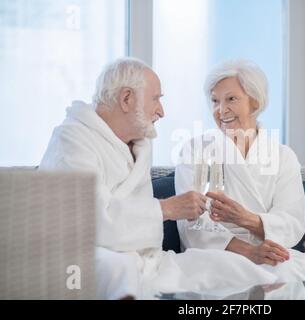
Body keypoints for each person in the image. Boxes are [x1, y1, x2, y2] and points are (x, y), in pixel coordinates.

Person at [39, 57, 278, 299]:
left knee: (234, 268)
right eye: (156, 99)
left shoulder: (137, 147)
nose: (161, 112)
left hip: (147, 261)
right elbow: (92, 223)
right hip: (86, 262)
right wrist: (167, 209)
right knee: (120, 270)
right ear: (126, 99)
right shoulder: (72, 141)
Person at [175, 60, 305, 282]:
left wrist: (248, 220)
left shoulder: (283, 156)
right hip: (217, 255)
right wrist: (249, 252)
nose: (221, 110)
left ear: (255, 103)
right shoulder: (196, 149)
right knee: (252, 275)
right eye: (215, 101)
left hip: (269, 252)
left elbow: (292, 221)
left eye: (231, 99)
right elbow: (192, 225)